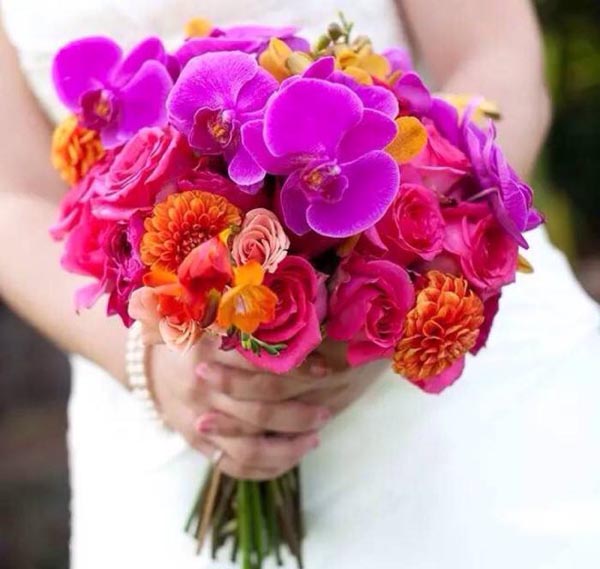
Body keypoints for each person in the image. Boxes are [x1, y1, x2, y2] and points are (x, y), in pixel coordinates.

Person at [0, 0, 599, 567]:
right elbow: (12, 198)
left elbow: (498, 58)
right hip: (160, 408)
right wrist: (151, 363)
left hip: (458, 394)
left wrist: (390, 301)